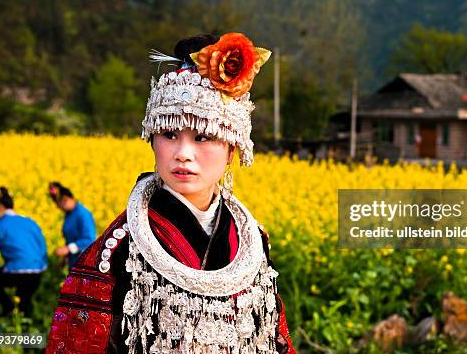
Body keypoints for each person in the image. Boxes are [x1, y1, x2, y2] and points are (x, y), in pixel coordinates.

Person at [46, 33, 296, 353]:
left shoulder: (253, 242)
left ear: (232, 148)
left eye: (204, 137)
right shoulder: (119, 247)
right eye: (169, 133)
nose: (183, 153)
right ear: (151, 139)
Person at [0, 187, 47, 316]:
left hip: (17, 272)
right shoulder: (30, 222)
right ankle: (26, 326)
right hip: (38, 271)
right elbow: (42, 246)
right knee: (23, 304)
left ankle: (7, 308)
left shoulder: (0, 226)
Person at [48, 182, 96, 270]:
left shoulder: (83, 214)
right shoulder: (69, 214)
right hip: (73, 262)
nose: (59, 208)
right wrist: (66, 257)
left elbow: (89, 239)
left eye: (59, 204)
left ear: (65, 199)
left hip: (85, 263)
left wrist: (68, 249)